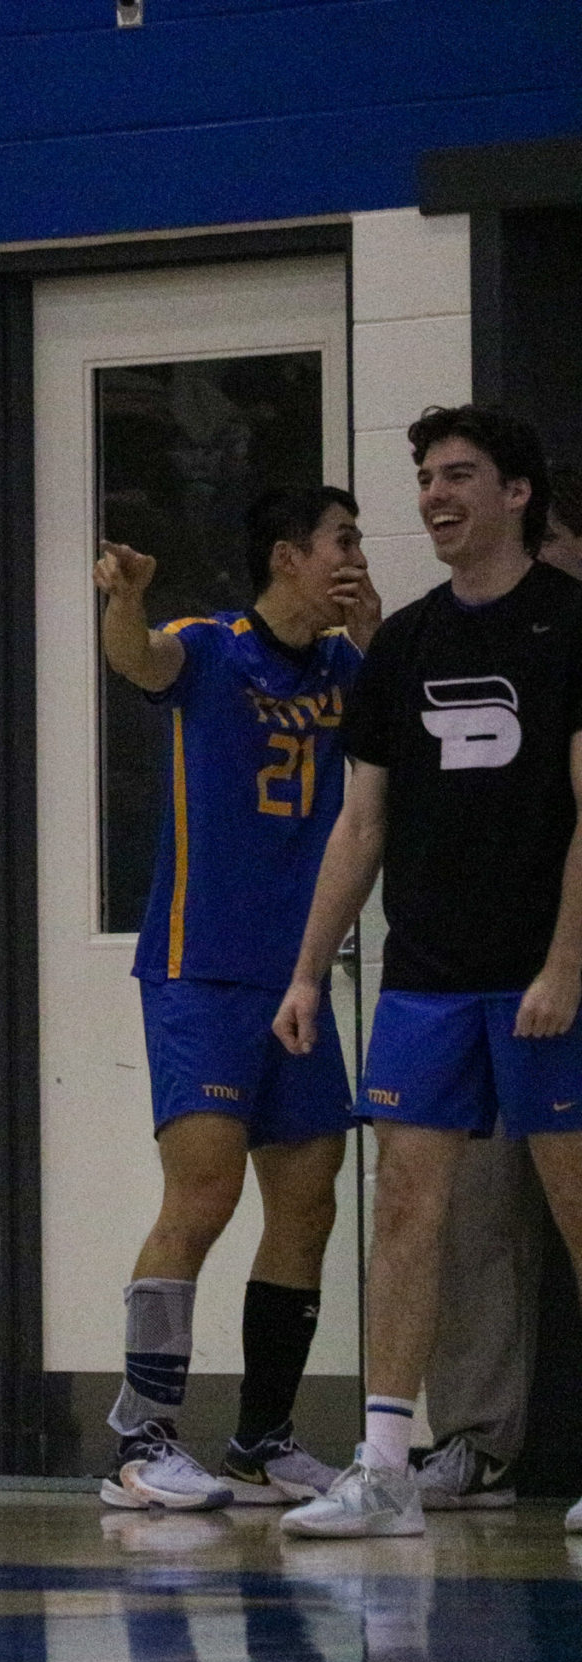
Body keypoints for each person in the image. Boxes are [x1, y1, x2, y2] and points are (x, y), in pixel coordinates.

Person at [274, 406, 582, 1539]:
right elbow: (359, 826)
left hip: (542, 979)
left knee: (572, 1205)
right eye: (424, 478)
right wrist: (309, 973)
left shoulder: (570, 626)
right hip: (425, 977)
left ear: (517, 493)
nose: (434, 495)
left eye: (460, 475)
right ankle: (387, 1465)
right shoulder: (400, 645)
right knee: (405, 1208)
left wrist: (564, 963)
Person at [88, 488, 379, 1511]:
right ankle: (140, 1437)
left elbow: (399, 738)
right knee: (203, 1193)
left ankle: (262, 1442)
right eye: (342, 540)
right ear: (287, 556)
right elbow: (138, 661)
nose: (353, 555)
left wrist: (373, 625)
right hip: (199, 965)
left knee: (307, 1198)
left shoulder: (348, 668)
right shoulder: (211, 646)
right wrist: (124, 597)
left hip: (296, 973)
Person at [417, 458, 582, 1511]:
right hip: (483, 975)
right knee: (470, 1216)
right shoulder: (450, 642)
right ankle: (470, 1439)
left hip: (561, 966)